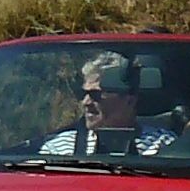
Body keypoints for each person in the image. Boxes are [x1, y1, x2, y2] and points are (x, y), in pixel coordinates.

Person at [41, 51, 172, 158]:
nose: (86, 102)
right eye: (84, 94)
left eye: (96, 95)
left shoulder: (162, 147)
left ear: (129, 100)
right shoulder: (58, 150)